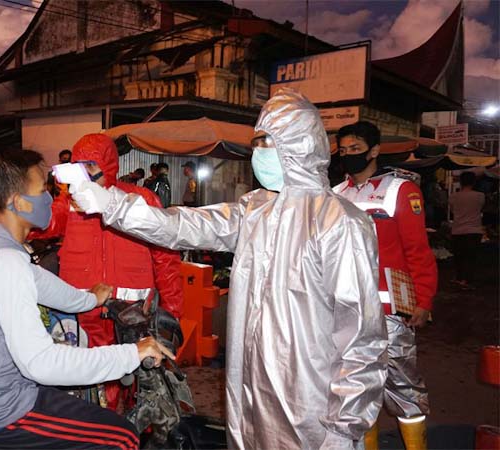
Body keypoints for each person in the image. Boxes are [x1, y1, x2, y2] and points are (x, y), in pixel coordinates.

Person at [70, 88, 388, 449]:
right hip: (249, 396)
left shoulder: (340, 223)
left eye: (268, 142)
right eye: (257, 143)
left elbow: (362, 339)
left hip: (312, 405)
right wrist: (113, 206)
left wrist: (344, 427)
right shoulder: (255, 210)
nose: (259, 153)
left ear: (299, 145)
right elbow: (182, 225)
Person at [0, 149, 172, 449]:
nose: (50, 197)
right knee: (121, 436)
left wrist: (90, 300)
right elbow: (41, 363)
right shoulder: (6, 261)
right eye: (42, 190)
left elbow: (42, 283)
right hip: (0, 408)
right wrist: (131, 354)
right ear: (19, 202)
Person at [31, 134, 184, 411]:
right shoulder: (68, 205)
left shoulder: (140, 199)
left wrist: (172, 312)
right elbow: (40, 224)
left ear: (107, 164)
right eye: (77, 166)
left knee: (142, 390)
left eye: (90, 165)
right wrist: (13, 205)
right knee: (90, 390)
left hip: (135, 315)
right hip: (84, 314)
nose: (84, 173)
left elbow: (166, 257)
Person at [333, 121, 437, 450]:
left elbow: (418, 251)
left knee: (404, 387)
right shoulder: (336, 195)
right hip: (347, 310)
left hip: (392, 311)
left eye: (356, 149)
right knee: (356, 390)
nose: (348, 155)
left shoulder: (400, 191)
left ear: (374, 151)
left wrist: (424, 300)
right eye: (344, 150)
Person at [449, 171, 485, 289]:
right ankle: (466, 280)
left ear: (461, 182)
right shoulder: (480, 196)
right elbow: (480, 209)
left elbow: (453, 211)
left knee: (459, 256)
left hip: (457, 229)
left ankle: (459, 277)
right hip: (474, 229)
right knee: (471, 257)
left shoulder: (453, 196)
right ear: (474, 182)